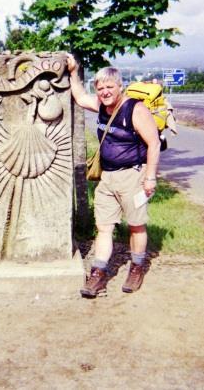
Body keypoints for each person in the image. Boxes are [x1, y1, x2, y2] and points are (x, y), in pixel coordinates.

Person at [66, 56, 161, 297]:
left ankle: (137, 267)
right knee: (104, 227)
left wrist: (150, 177)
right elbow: (78, 96)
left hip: (134, 177)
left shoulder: (135, 109)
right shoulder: (100, 106)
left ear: (120, 86)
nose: (105, 92)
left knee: (136, 226)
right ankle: (99, 273)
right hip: (107, 178)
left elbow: (154, 143)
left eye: (110, 87)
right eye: (100, 88)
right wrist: (74, 71)